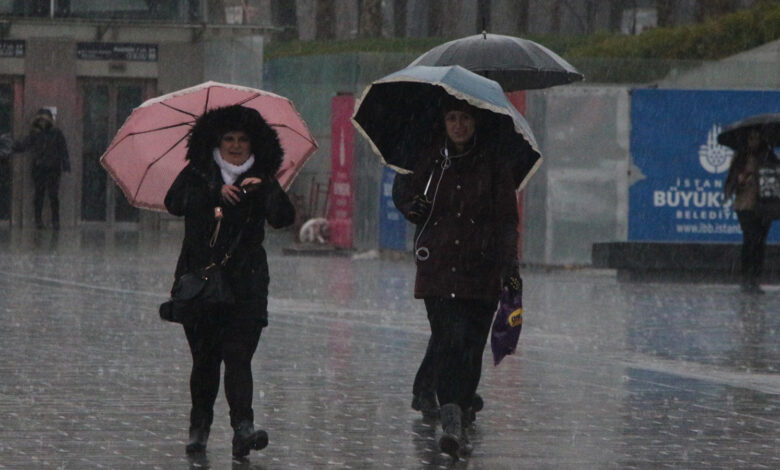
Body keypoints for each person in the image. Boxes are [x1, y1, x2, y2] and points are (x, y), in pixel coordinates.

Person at [392, 96, 521, 459]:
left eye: (465, 118)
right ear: (444, 122)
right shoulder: (432, 158)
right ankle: (450, 418)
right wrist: (410, 205)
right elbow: (404, 190)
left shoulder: (495, 163)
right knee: (449, 338)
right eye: (452, 118)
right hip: (439, 268)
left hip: (482, 270)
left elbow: (507, 220)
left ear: (476, 121)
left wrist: (509, 266)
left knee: (471, 347)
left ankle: (461, 405)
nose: (459, 125)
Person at [164, 105, 295, 458]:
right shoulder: (198, 173)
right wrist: (213, 195)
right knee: (205, 361)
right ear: (215, 142)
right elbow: (174, 203)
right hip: (202, 284)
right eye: (228, 139)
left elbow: (284, 217)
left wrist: (266, 189)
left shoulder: (262, 177)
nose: (236, 146)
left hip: (246, 286)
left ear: (255, 144)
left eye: (243, 139)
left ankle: (243, 428)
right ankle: (199, 426)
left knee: (238, 357)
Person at [724, 128, 779, 294]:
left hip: (764, 205)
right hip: (745, 205)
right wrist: (741, 179)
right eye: (751, 138)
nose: (753, 141)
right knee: (750, 239)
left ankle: (755, 278)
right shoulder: (740, 157)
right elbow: (732, 180)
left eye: (756, 138)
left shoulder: (769, 156)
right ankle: (746, 277)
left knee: (760, 242)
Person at [14, 108, 70, 229]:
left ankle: (55, 221)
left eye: (45, 120)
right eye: (41, 120)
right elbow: (24, 145)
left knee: (53, 195)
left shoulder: (56, 133)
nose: (43, 123)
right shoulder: (35, 134)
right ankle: (38, 221)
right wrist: (12, 147)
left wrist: (66, 165)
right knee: (39, 195)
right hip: (40, 168)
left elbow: (63, 150)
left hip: (53, 168)